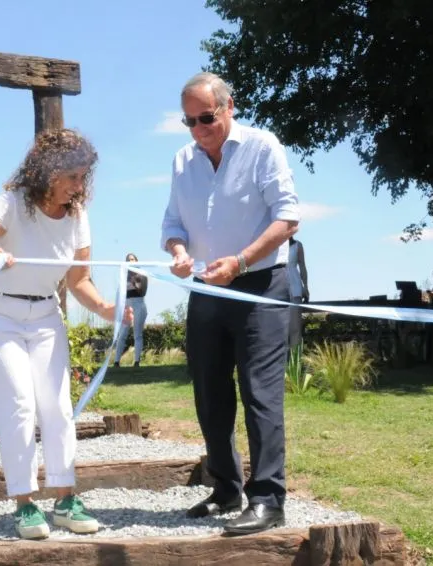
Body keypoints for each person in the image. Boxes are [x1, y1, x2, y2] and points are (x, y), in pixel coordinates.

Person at [0, 128, 132, 540]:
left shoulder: (78, 216)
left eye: (83, 176)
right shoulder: (13, 204)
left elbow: (79, 280)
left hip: (45, 315)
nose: (79, 186)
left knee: (56, 405)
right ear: (48, 171)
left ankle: (66, 500)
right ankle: (24, 503)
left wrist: (106, 308)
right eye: (72, 176)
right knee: (18, 404)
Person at [160, 71, 300, 536]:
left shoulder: (263, 147)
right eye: (189, 122)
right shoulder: (183, 160)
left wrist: (239, 262)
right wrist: (179, 252)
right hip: (206, 290)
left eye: (206, 118)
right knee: (209, 395)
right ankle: (226, 488)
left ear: (229, 107)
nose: (198, 130)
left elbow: (287, 219)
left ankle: (268, 500)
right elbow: (172, 225)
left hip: (260, 286)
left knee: (260, 394)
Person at [114, 253, 149, 367]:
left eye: (132, 259)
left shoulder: (142, 274)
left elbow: (141, 291)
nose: (130, 261)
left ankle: (137, 361)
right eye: (128, 260)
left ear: (137, 261)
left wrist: (133, 279)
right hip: (127, 305)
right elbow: (121, 293)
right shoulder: (123, 277)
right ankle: (116, 361)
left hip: (139, 304)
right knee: (122, 333)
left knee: (137, 334)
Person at [286, 237, 309, 348]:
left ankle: (294, 361)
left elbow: (302, 266)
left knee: (295, 327)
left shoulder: (297, 245)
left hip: (295, 288)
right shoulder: (274, 245)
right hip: (277, 286)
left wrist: (305, 286)